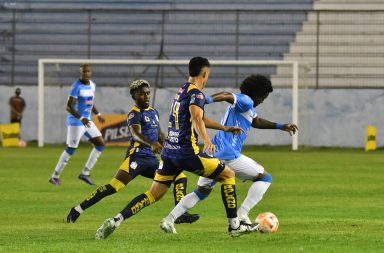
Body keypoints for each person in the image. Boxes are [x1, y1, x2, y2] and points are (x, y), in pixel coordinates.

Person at [94, 57, 257, 240]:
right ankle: (234, 226)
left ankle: (116, 220)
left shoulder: (181, 91)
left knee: (153, 194)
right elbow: (197, 118)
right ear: (204, 73)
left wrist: (224, 128)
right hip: (188, 153)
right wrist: (207, 140)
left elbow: (197, 118)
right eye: (208, 75)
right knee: (228, 175)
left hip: (169, 152)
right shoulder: (197, 93)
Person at [160, 74, 298, 232]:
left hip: (213, 154)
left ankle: (169, 219)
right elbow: (226, 95)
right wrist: (205, 101)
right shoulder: (247, 100)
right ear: (258, 93)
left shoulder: (247, 108)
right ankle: (242, 215)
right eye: (264, 97)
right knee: (265, 177)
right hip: (229, 155)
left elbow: (256, 121)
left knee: (201, 192)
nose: (263, 101)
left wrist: (281, 126)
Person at [66, 79, 199, 224]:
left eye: (148, 93)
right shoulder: (134, 114)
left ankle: (179, 214)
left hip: (151, 160)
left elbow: (160, 135)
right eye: (141, 94)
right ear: (134, 96)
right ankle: (77, 209)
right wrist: (151, 144)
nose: (146, 96)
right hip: (136, 157)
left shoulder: (154, 112)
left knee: (180, 177)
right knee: (113, 187)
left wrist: (172, 147)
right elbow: (136, 134)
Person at [49, 64, 105, 186]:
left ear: (91, 72)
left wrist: (98, 114)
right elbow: (68, 107)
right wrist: (81, 118)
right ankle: (55, 176)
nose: (86, 74)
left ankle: (85, 173)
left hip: (87, 121)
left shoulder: (92, 85)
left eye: (88, 71)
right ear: (80, 73)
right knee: (71, 149)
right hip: (76, 122)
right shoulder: (76, 87)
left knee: (100, 144)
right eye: (83, 72)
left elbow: (90, 102)